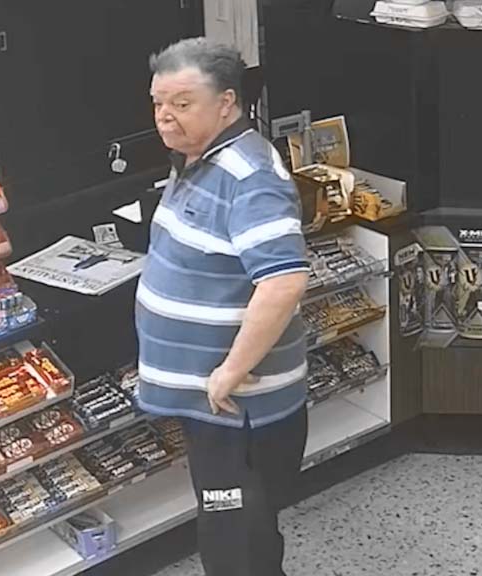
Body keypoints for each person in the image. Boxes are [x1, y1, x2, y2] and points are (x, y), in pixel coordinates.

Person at [136, 38, 310, 576]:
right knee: (237, 532)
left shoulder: (249, 177)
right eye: (158, 103)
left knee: (235, 539)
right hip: (216, 402)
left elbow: (284, 282)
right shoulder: (197, 157)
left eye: (182, 103)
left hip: (236, 408)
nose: (165, 116)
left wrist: (230, 372)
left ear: (227, 103)